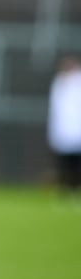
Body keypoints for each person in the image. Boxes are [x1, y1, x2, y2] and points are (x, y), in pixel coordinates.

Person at [47, 54, 81, 191]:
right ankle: (65, 188)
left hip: (76, 128)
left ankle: (77, 186)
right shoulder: (59, 82)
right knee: (64, 162)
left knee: (77, 162)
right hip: (63, 130)